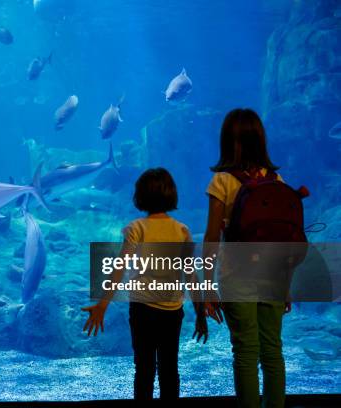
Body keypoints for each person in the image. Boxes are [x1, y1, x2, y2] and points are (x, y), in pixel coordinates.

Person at [82, 167, 208, 402]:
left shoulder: (136, 228)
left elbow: (118, 268)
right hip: (172, 311)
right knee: (170, 368)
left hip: (142, 310)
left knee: (144, 369)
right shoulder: (182, 230)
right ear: (172, 195)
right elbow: (191, 275)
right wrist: (200, 313)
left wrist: (102, 305)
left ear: (139, 197)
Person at [202, 108, 289, 408]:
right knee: (273, 352)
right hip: (273, 277)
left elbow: (212, 237)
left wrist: (207, 285)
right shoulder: (276, 179)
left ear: (227, 142)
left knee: (245, 353)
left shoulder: (222, 183)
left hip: (236, 277)